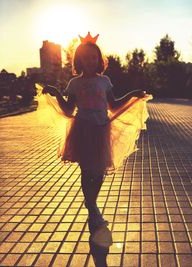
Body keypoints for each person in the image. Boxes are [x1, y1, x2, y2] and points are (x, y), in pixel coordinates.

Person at [42, 32, 152, 232]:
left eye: (93, 58)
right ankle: (93, 210)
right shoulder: (74, 83)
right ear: (79, 60)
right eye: (85, 58)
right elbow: (68, 110)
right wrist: (56, 93)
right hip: (82, 130)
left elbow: (114, 105)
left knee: (99, 172)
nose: (90, 61)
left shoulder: (105, 81)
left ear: (99, 59)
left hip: (101, 129)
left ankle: (91, 204)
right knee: (86, 171)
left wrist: (133, 95)